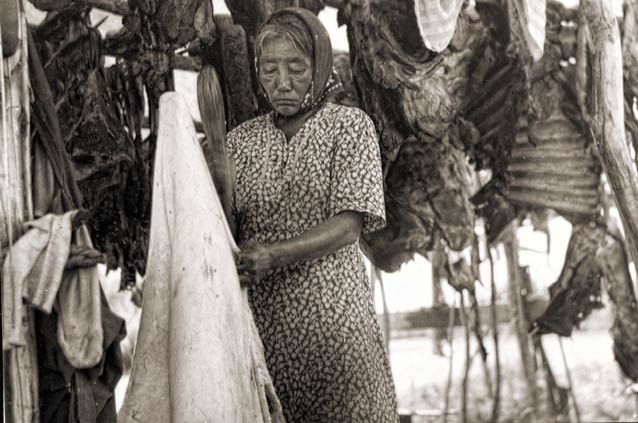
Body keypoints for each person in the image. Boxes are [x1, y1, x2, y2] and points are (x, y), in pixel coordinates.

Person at [226, 7, 399, 422]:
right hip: (269, 345)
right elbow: (225, 229)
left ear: (318, 66)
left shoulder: (350, 127)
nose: (281, 83)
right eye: (269, 70)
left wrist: (272, 255)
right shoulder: (238, 143)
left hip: (338, 337)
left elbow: (348, 225)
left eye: (296, 68)